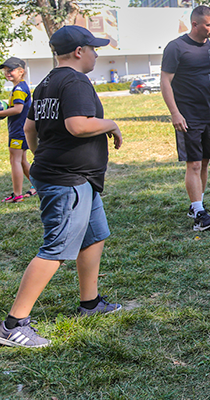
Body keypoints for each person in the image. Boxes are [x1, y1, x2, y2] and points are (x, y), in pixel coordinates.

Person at [0, 26, 123, 348]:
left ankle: (90, 302)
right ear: (79, 51)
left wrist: (44, 155)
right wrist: (112, 125)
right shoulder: (76, 81)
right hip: (67, 179)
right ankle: (13, 324)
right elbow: (78, 125)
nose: (97, 54)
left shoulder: (46, 82)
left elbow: (29, 128)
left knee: (95, 235)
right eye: (94, 49)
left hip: (76, 176)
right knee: (56, 248)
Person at [161, 5, 210, 232]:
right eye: (209, 24)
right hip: (187, 115)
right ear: (195, 24)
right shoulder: (176, 47)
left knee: (206, 161)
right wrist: (174, 113)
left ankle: (196, 203)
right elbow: (165, 82)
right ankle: (199, 212)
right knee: (195, 163)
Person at [0, 57, 36, 202]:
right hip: (20, 129)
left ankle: (17, 194)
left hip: (19, 130)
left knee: (14, 160)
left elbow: (18, 109)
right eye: (5, 71)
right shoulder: (20, 86)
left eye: (11, 70)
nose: (7, 73)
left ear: (21, 71)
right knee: (21, 160)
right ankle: (36, 186)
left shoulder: (20, 88)